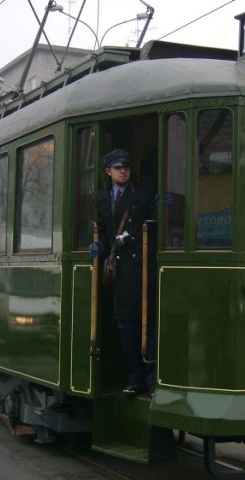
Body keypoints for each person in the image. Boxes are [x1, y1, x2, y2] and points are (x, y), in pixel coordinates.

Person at [90, 148, 157, 397]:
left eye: (126, 166)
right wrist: (101, 245)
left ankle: (149, 378)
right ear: (108, 171)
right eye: (118, 167)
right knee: (125, 326)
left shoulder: (143, 193)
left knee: (147, 322)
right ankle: (134, 376)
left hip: (140, 267)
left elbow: (153, 222)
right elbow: (106, 232)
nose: (123, 171)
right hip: (119, 272)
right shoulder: (100, 199)